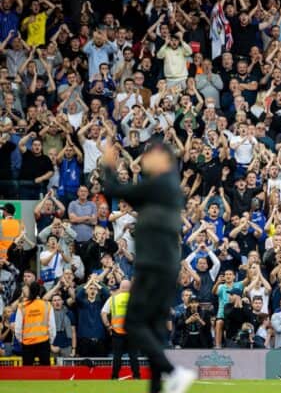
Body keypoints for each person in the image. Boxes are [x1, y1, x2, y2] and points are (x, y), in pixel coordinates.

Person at [102, 140, 195, 393]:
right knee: (154, 330)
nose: (143, 159)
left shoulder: (161, 183)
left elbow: (113, 188)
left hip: (152, 265)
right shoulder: (165, 187)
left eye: (148, 155)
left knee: (133, 323)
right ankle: (157, 387)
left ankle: (174, 372)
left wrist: (109, 164)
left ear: (163, 159)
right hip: (163, 264)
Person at [101, 280, 140, 380]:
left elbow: (103, 313)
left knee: (117, 356)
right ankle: (136, 376)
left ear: (121, 288)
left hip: (117, 332)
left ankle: (114, 376)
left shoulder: (113, 298)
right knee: (133, 356)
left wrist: (108, 326)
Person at [14, 282, 55, 365]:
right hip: (44, 342)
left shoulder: (22, 306)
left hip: (27, 344)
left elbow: (18, 328)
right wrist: (50, 341)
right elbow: (52, 326)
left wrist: (21, 340)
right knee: (46, 372)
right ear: (39, 291)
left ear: (29, 291)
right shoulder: (47, 305)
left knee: (27, 373)